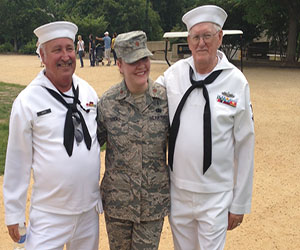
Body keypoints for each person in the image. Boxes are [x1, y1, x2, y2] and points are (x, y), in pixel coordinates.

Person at [156, 5, 255, 250]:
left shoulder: (236, 82)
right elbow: (144, 97)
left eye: (207, 36)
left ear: (219, 38)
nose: (201, 43)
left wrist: (239, 202)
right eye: (195, 37)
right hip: (178, 190)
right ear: (189, 42)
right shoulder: (173, 75)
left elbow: (245, 144)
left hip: (216, 195)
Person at [3, 21, 102, 250]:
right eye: (57, 50)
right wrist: (15, 213)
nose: (65, 56)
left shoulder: (87, 91)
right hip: (50, 215)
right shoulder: (27, 101)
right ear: (42, 56)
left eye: (69, 48)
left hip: (88, 211)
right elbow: (17, 161)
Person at [97, 30, 170, 250]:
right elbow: (89, 148)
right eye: (133, 61)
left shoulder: (166, 100)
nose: (141, 66)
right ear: (120, 65)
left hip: (152, 204)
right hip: (118, 204)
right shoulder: (108, 103)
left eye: (144, 58)